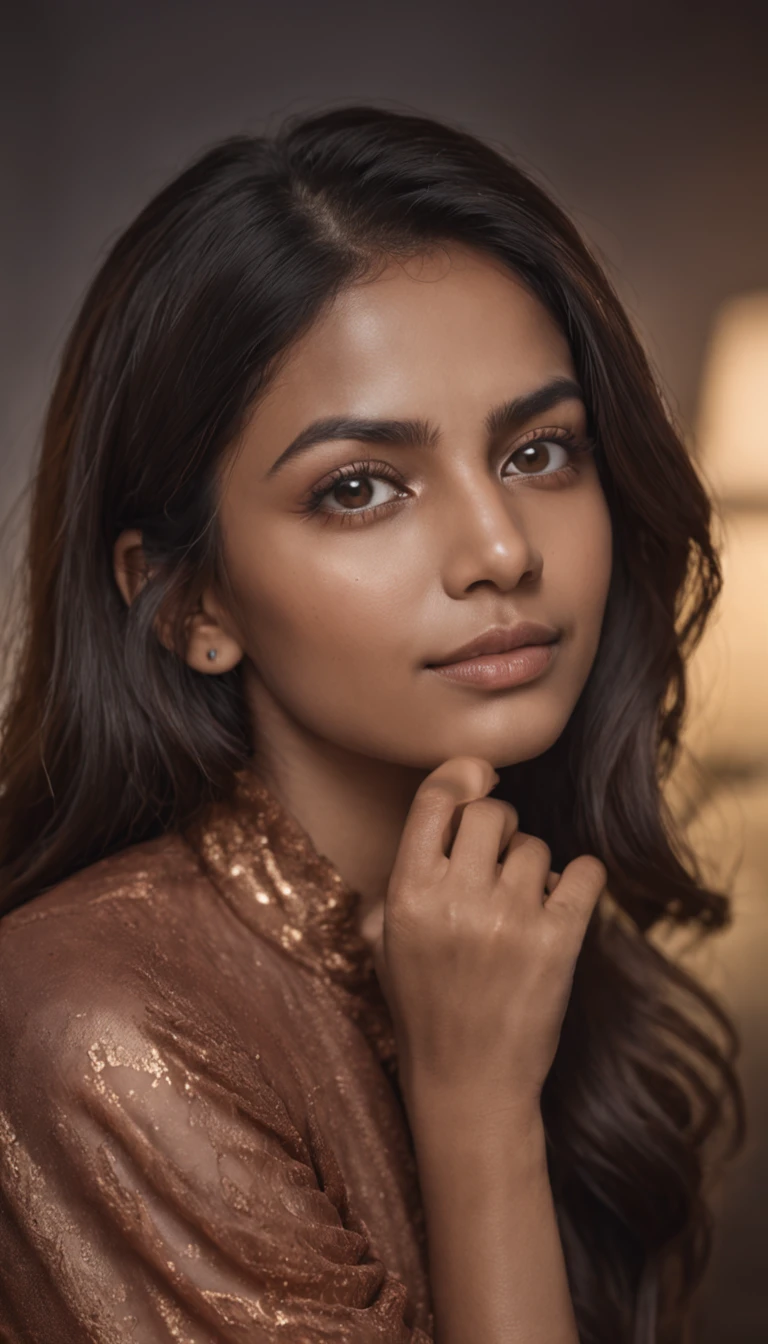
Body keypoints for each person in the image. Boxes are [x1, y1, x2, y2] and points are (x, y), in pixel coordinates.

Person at [0, 104, 744, 1344]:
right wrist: (474, 1113)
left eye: (540, 452)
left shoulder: (515, 925)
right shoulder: (90, 1028)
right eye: (359, 488)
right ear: (189, 600)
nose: (502, 549)